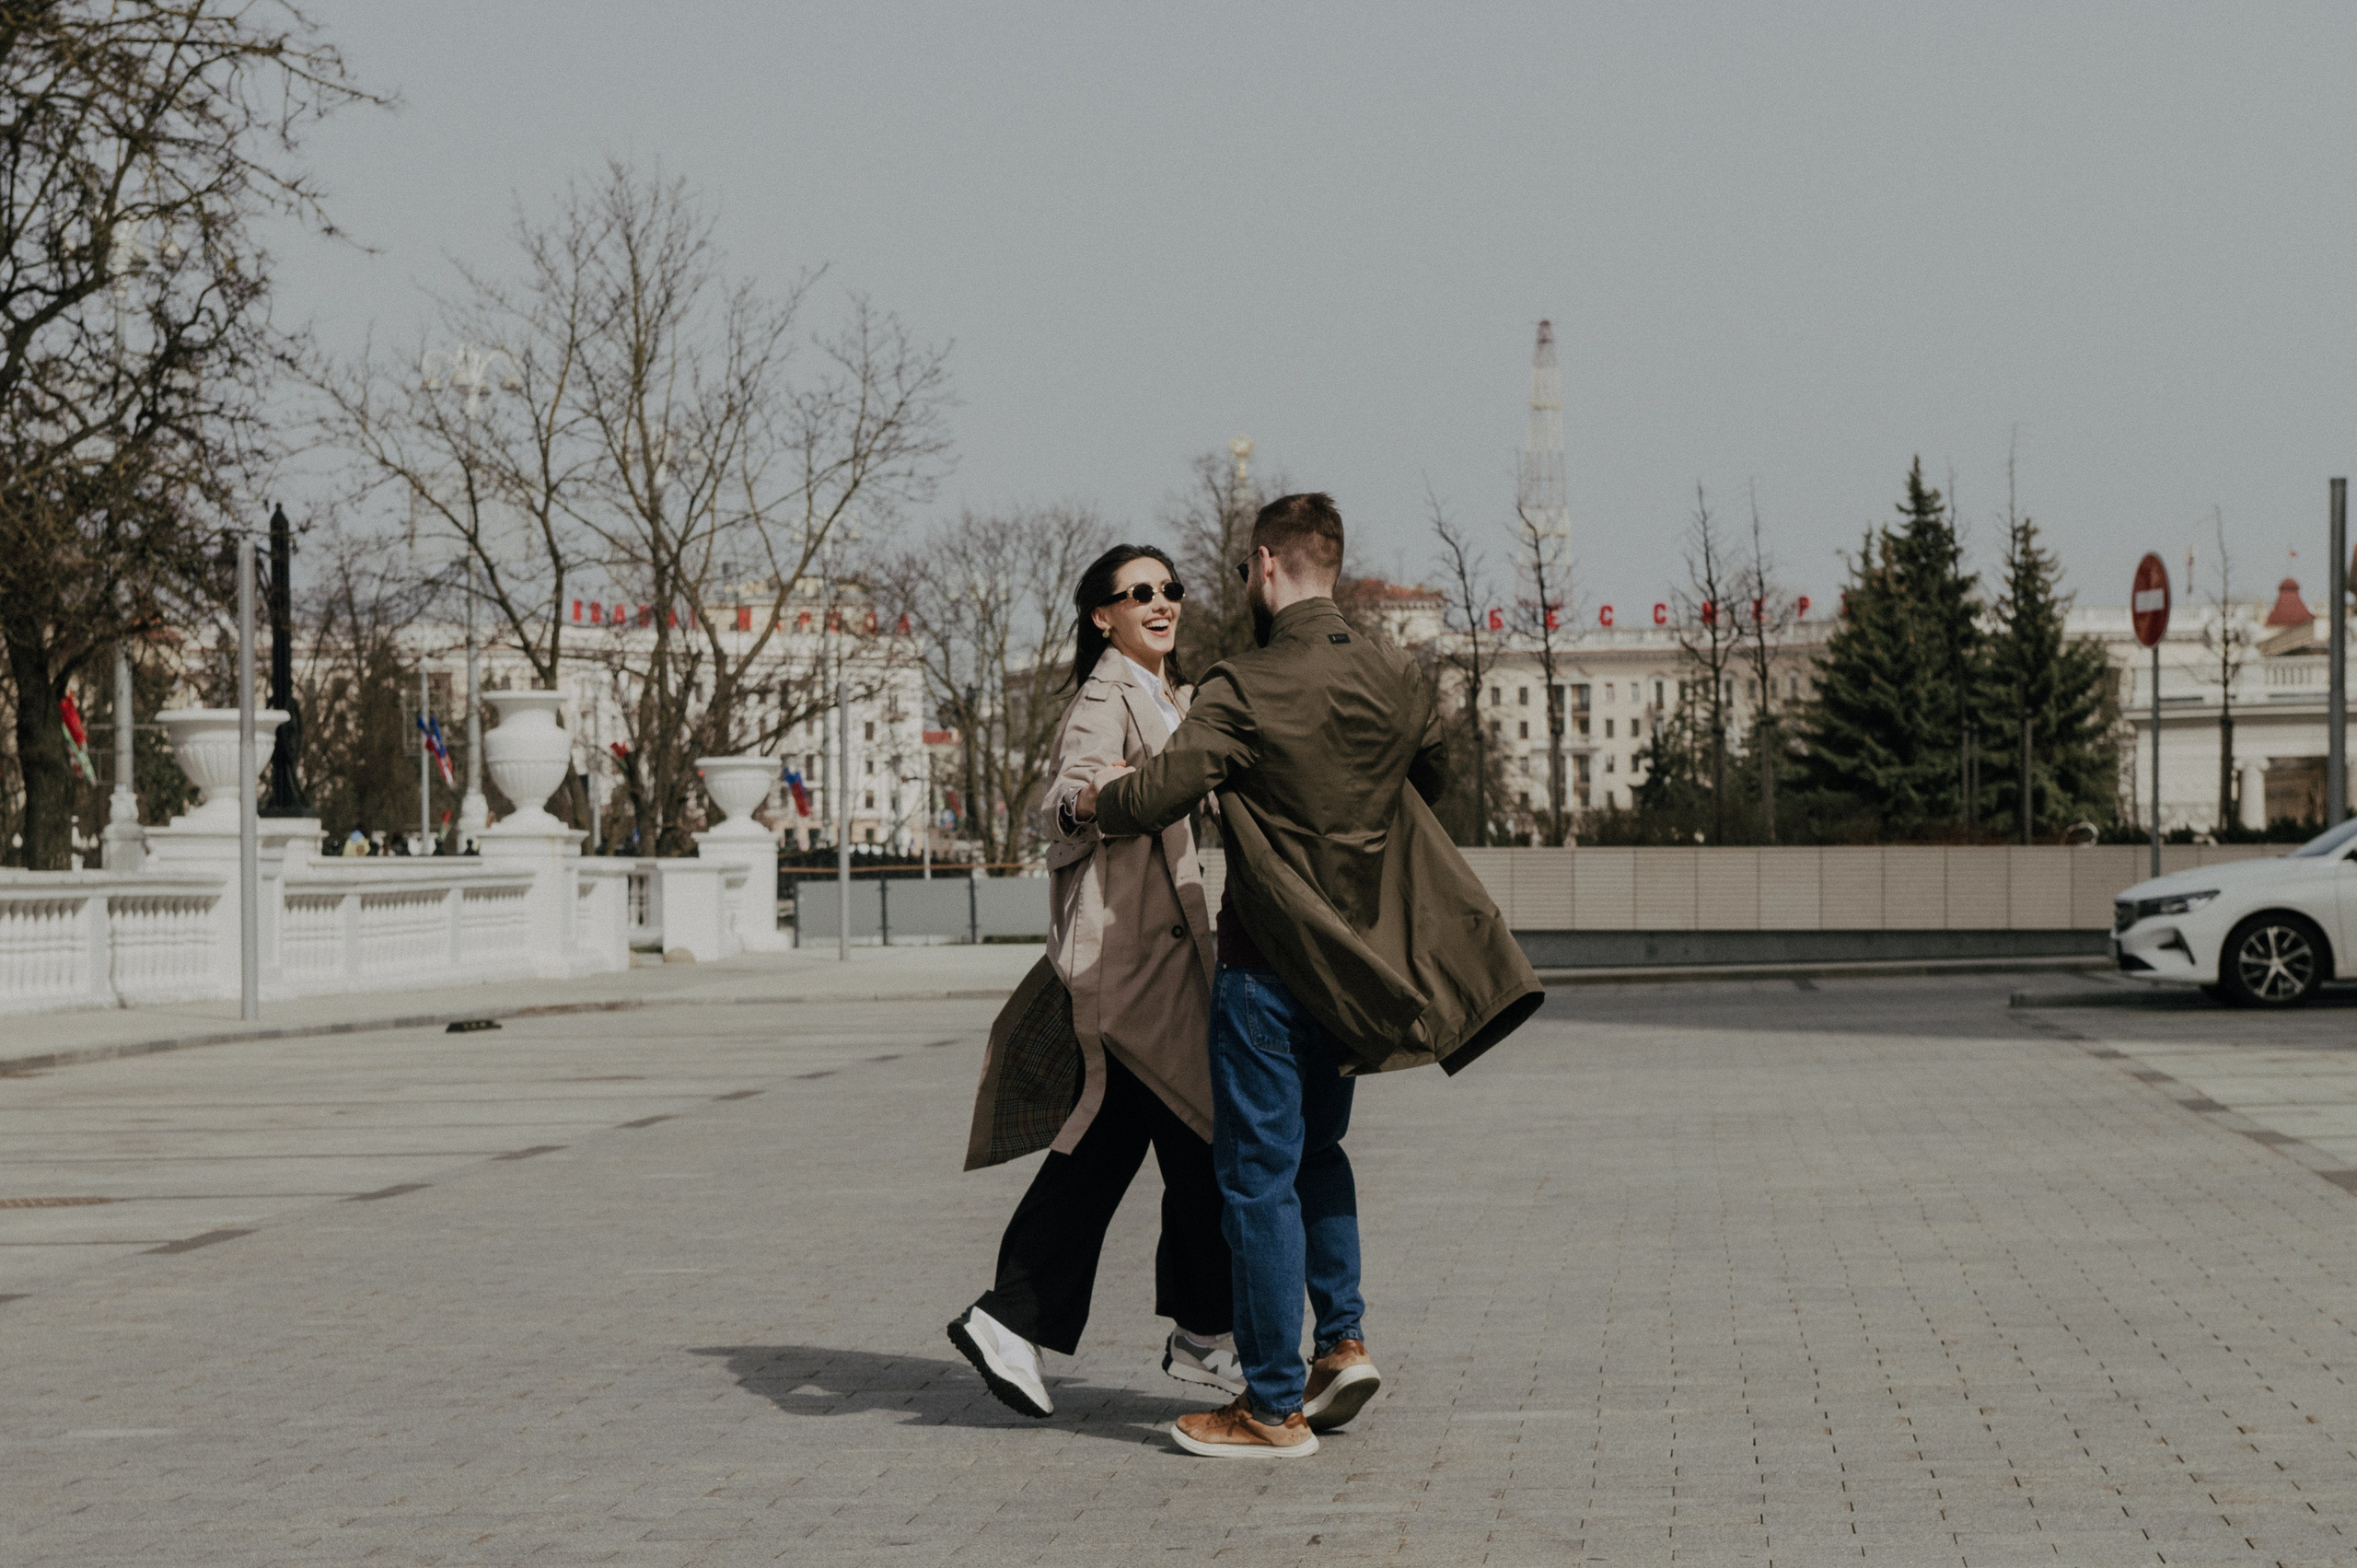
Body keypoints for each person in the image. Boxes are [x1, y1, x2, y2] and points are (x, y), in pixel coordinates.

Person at [1079, 493, 1544, 1460]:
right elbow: (1427, 779)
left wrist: (1090, 803)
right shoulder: (1398, 676)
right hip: (1356, 969)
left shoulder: (1243, 684)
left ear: (1264, 564)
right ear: (1329, 564)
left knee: (1257, 1180)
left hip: (1265, 970)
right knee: (1320, 1156)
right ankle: (1341, 1344)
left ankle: (1270, 1405)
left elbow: (1160, 791)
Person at [948, 544, 1239, 1420]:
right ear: (1101, 616)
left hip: (1160, 962)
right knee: (1189, 1134)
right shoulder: (1107, 696)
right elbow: (1065, 798)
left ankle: (1028, 1319)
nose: (1161, 602)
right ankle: (1193, 1331)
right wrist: (1089, 800)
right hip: (1128, 963)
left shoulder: (1172, 695)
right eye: (1138, 592)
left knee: (1137, 1140)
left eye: (1170, 588)